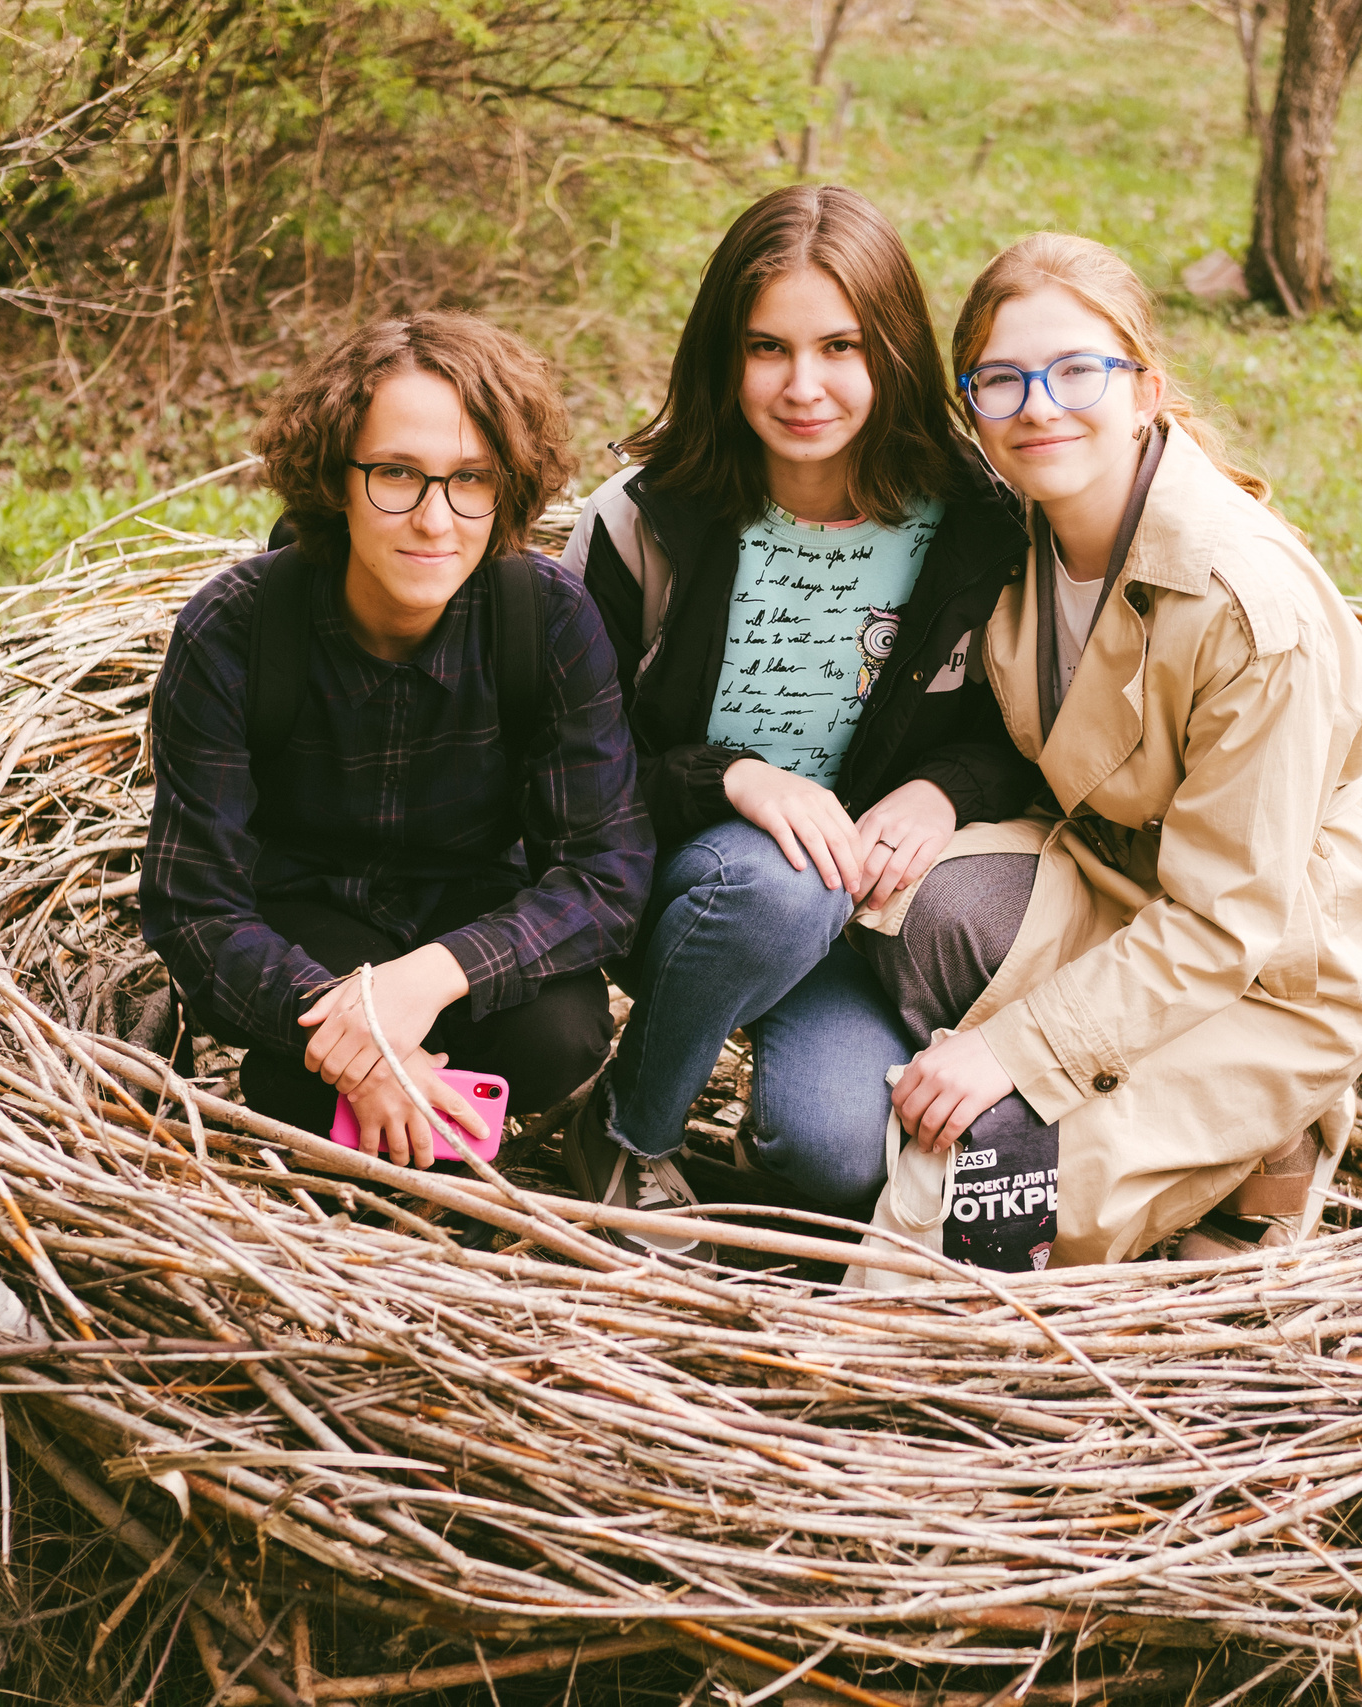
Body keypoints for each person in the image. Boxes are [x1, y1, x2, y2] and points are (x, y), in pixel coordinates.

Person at [850, 232, 1362, 1270]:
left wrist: (1016, 1050)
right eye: (1001, 380)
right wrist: (935, 796)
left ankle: (1268, 1136)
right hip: (1126, 875)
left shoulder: (1245, 610)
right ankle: (1202, 1139)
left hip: (1280, 947)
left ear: (1145, 389)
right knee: (914, 912)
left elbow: (1225, 918)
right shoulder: (1016, 534)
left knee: (984, 1200)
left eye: (1077, 371)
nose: (1038, 405)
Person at [557, 185, 1037, 1246]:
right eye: (767, 348)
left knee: (832, 1154)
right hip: (681, 888)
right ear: (721, 357)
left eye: (841, 347)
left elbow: (1030, 738)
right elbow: (566, 764)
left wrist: (941, 788)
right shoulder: (643, 524)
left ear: (896, 353)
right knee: (780, 880)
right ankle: (629, 1134)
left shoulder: (977, 528)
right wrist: (731, 777)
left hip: (858, 919)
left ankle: (759, 1151)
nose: (803, 386)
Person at [143, 312, 653, 1168]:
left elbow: (609, 876)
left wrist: (428, 979)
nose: (434, 518)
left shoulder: (549, 619)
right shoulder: (235, 628)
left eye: (470, 480)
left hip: (468, 905)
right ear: (337, 478)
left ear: (508, 488)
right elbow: (193, 902)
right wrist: (355, 1036)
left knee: (559, 1039)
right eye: (396, 475)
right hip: (304, 917)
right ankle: (353, 1100)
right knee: (303, 1077)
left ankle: (381, 1099)